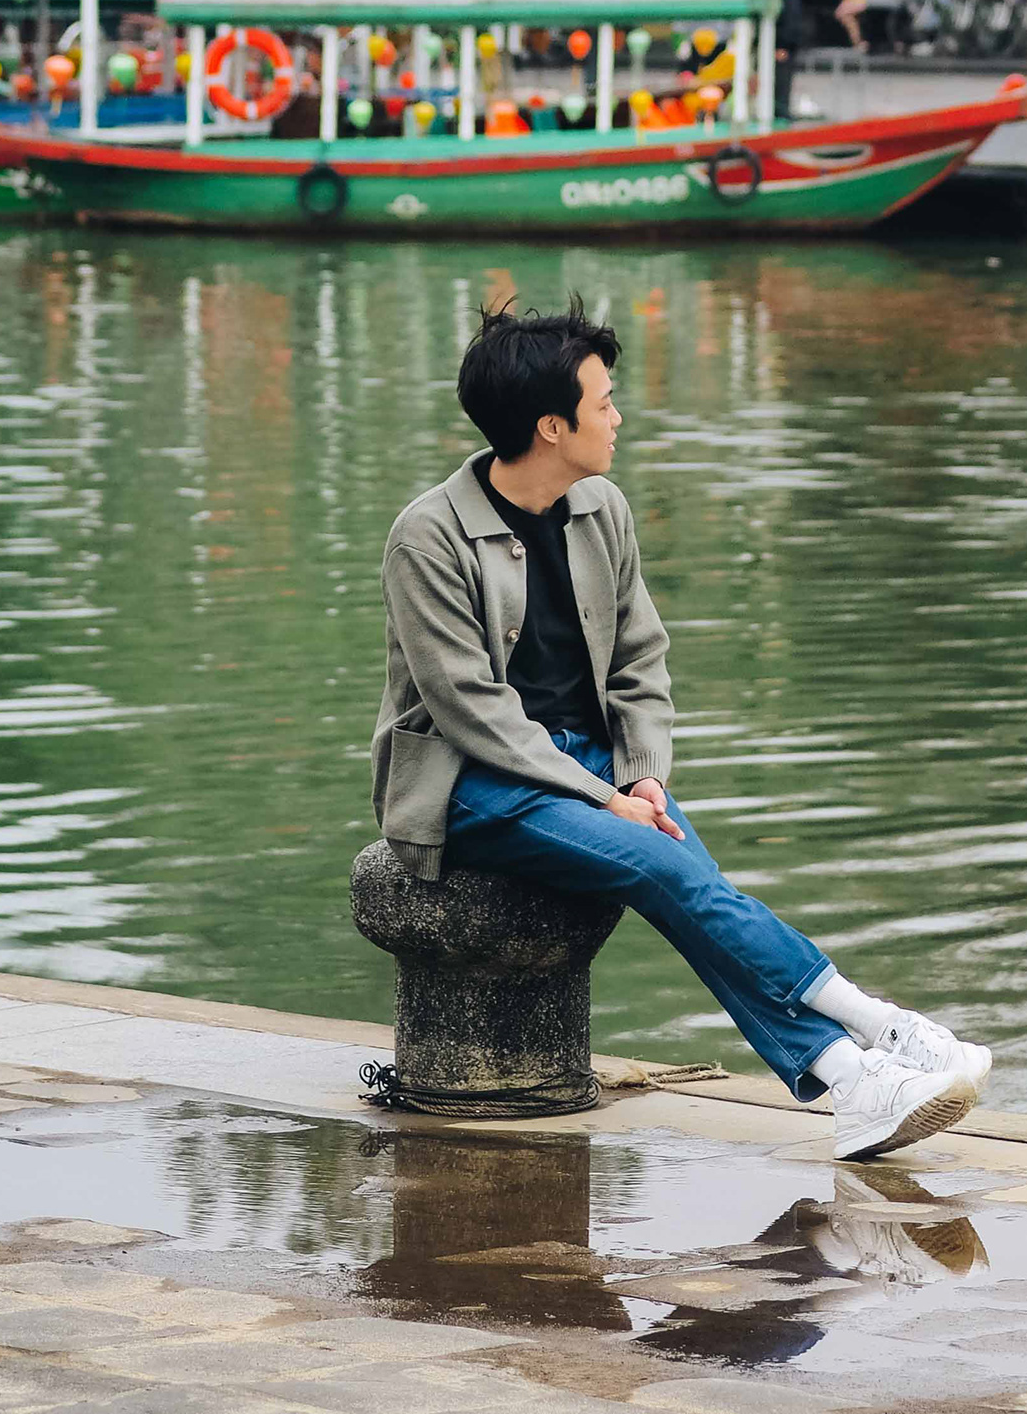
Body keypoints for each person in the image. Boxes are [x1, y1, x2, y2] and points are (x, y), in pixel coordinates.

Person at [372, 304, 991, 1164]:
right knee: (670, 866)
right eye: (604, 402)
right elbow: (471, 710)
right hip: (470, 785)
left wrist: (643, 776)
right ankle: (880, 1027)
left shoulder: (601, 509)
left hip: (588, 767)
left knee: (686, 874)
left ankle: (852, 1083)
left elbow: (639, 660)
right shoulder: (428, 536)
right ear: (551, 427)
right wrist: (602, 798)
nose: (618, 418)